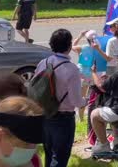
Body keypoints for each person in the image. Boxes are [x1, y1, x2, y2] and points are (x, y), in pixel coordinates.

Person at [36, 29, 86, 167]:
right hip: (63, 119)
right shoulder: (72, 69)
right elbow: (76, 101)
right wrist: (85, 101)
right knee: (60, 158)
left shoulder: (44, 63)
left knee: (49, 154)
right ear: (69, 46)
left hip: (46, 114)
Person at [0, 96, 44, 167]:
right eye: (26, 144)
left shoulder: (34, 160)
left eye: (35, 143)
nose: (32, 150)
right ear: (0, 137)